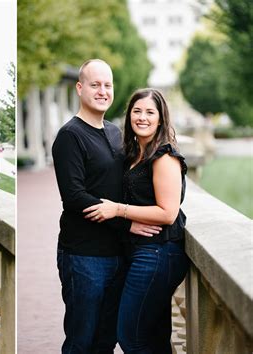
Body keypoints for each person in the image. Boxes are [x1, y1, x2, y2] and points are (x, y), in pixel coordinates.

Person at [51, 59, 162, 353]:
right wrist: (127, 221)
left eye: (107, 85)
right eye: (95, 84)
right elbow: (74, 196)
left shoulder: (116, 133)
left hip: (119, 254)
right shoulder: (69, 136)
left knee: (106, 340)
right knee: (81, 340)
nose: (102, 91)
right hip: (84, 256)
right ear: (80, 88)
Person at [83, 88, 190, 353]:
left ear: (161, 119)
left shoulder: (164, 156)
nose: (142, 117)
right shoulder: (135, 154)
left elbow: (168, 213)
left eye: (150, 112)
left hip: (159, 253)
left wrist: (118, 210)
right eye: (137, 111)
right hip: (142, 251)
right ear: (129, 114)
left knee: (131, 336)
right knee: (153, 336)